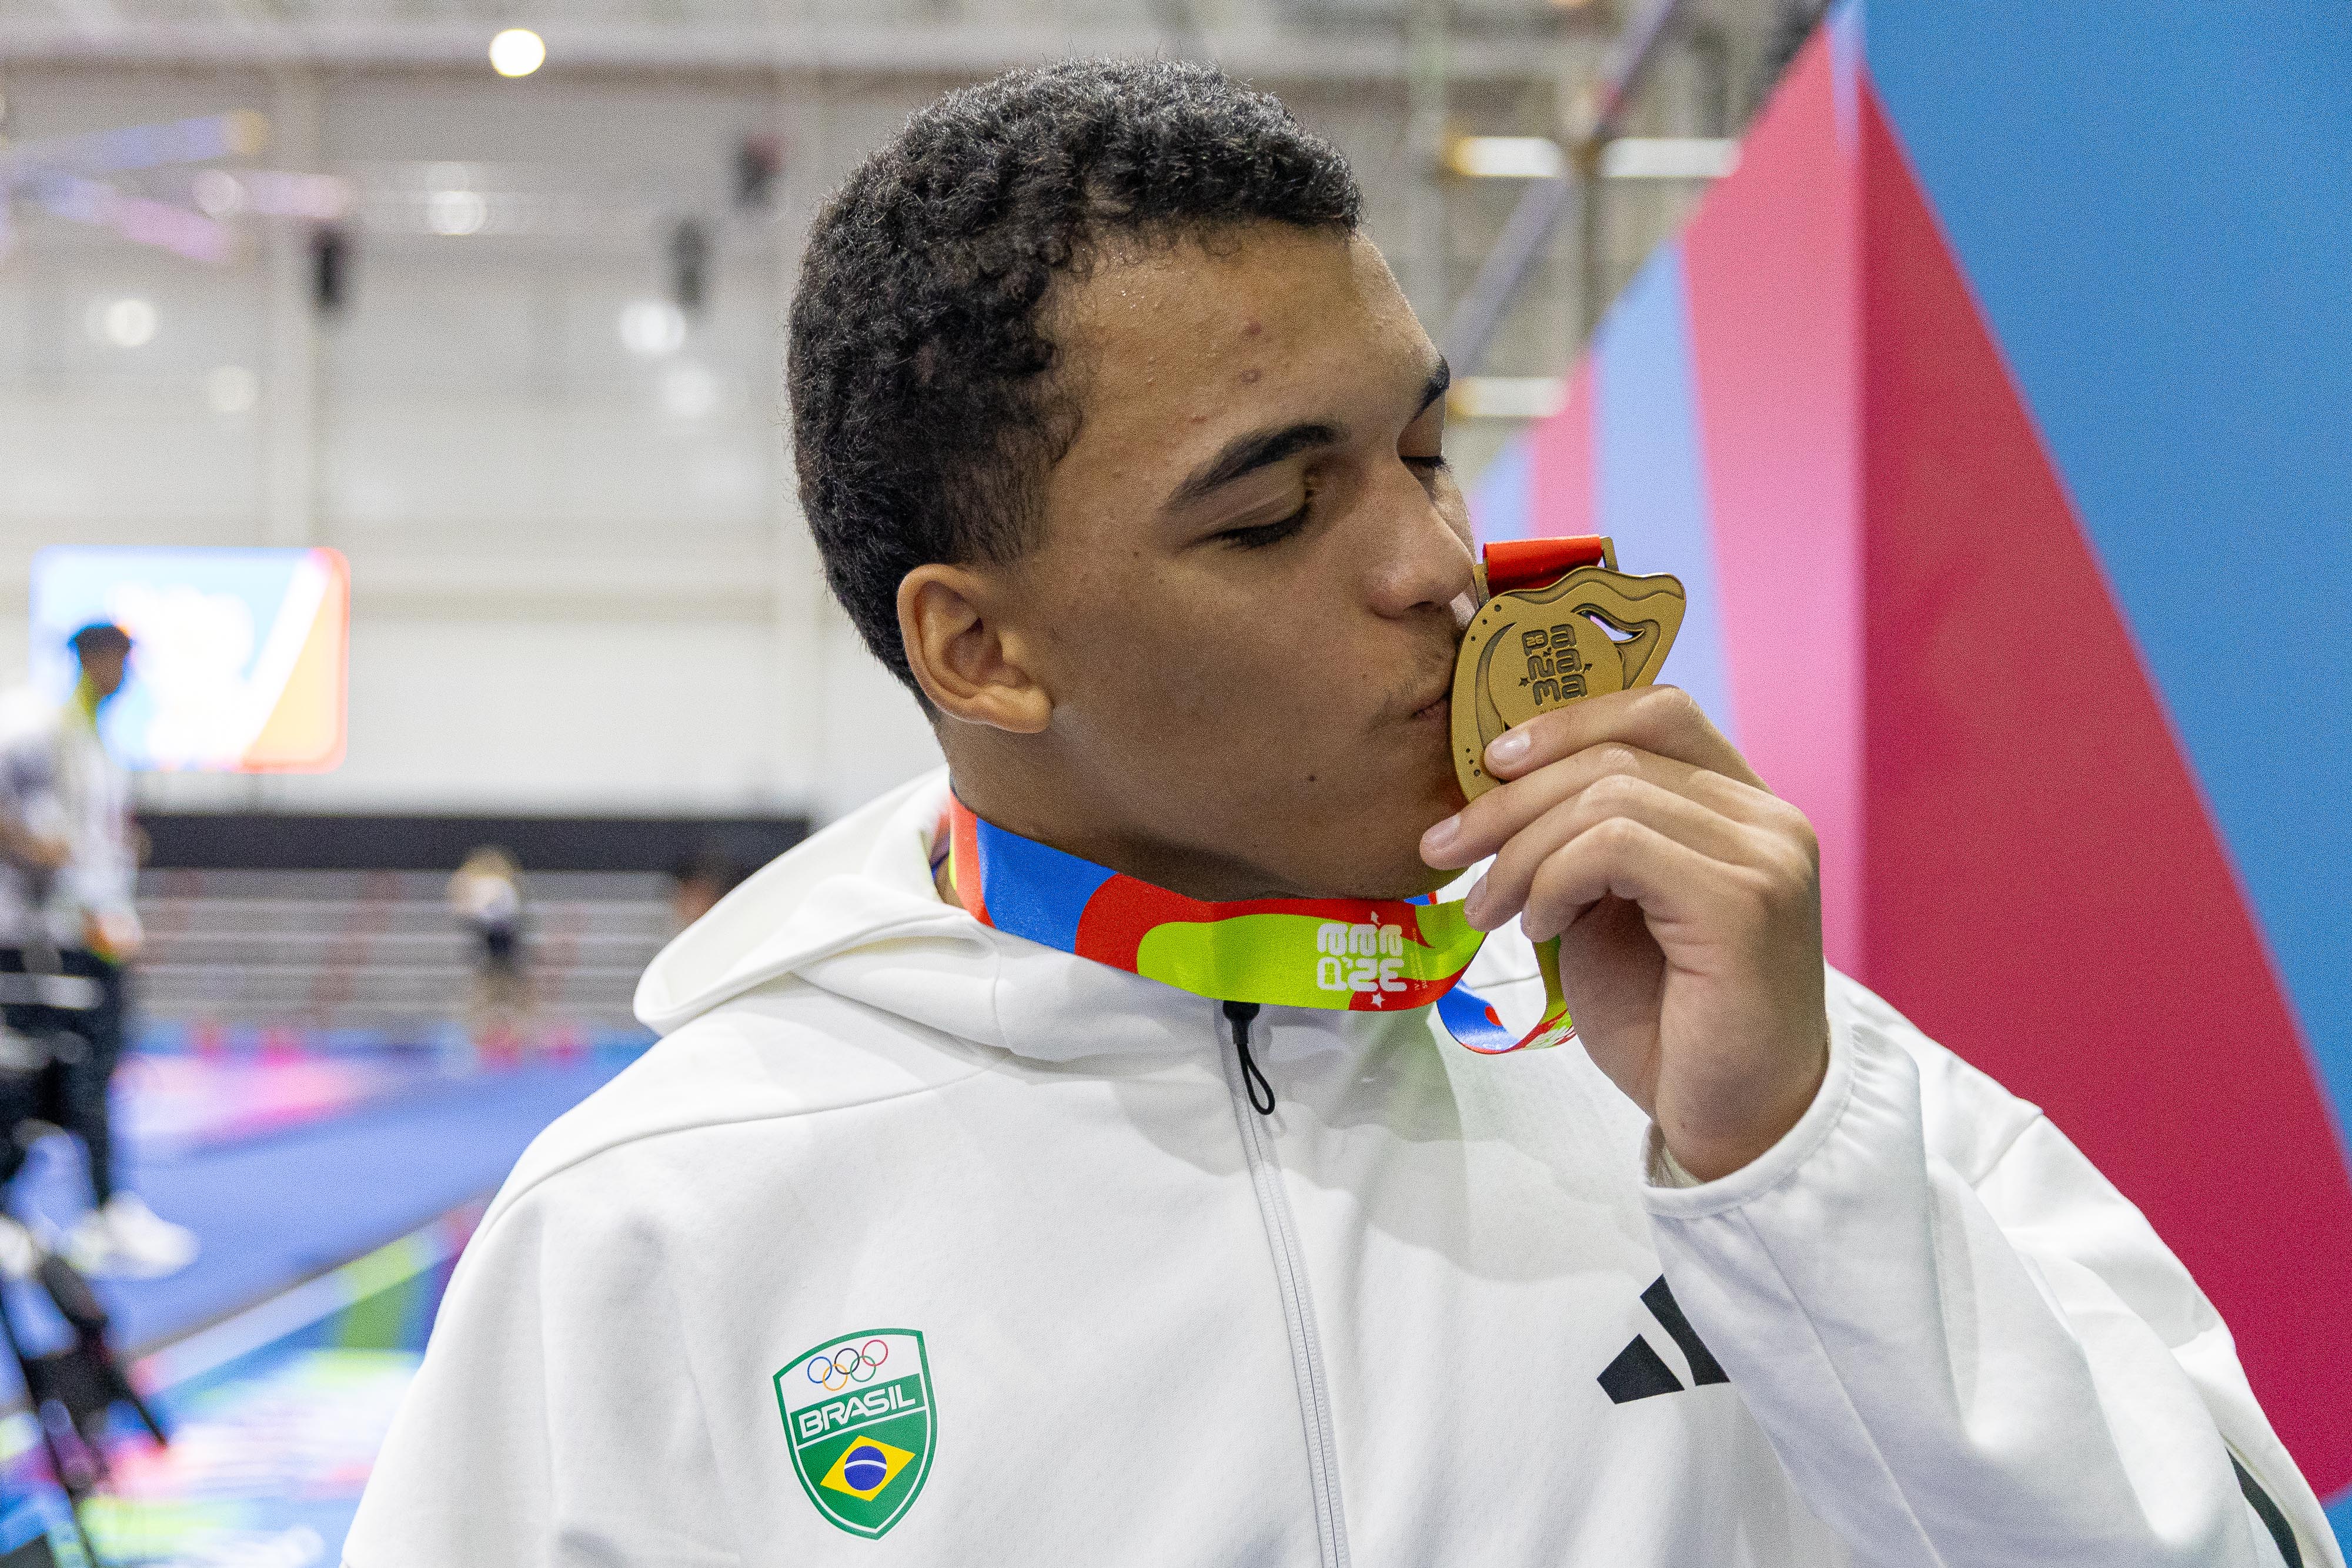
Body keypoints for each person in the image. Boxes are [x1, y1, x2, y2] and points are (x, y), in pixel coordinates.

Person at [348, 61, 2336, 1566]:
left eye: (1425, 447)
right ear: (986, 654)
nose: (1443, 564)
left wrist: (1791, 1174)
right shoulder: (664, 1226)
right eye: (1281, 508)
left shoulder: (1779, 1075)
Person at [0, 623, 196, 1280]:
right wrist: (31, 851)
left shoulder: (95, 743)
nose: (129, 676)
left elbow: (87, 834)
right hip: (44, 941)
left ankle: (104, 1210)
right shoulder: (38, 725)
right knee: (38, 1081)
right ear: (96, 659)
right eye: (122, 662)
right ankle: (75, 1210)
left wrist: (116, 852)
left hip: (95, 935)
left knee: (91, 1077)